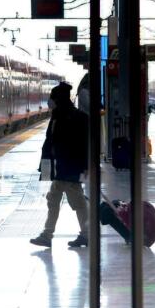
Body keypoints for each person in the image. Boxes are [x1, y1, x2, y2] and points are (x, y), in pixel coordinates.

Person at [31, 83, 90, 248]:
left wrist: (85, 167)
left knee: (74, 202)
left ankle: (83, 234)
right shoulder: (61, 116)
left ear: (59, 99)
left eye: (53, 99)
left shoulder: (72, 118)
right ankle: (48, 235)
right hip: (63, 169)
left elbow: (82, 145)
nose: (50, 102)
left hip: (69, 170)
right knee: (58, 200)